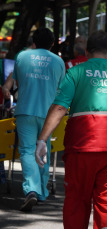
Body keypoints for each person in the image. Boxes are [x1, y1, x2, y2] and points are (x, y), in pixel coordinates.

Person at [35, 30, 107, 229]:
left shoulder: (75, 72)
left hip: (80, 148)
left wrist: (42, 140)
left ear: (86, 51)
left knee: (76, 202)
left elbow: (59, 107)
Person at [12, 27, 65, 211]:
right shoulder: (59, 62)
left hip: (25, 109)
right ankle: (41, 192)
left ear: (34, 41)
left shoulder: (22, 56)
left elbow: (18, 83)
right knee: (44, 149)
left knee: (27, 150)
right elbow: (61, 89)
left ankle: (31, 190)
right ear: (52, 44)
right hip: (48, 113)